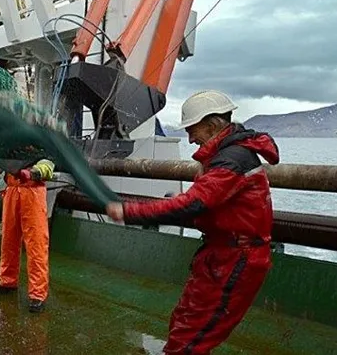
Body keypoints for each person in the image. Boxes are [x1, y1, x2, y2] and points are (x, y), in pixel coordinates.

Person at [105, 90, 279, 355]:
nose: (189, 138)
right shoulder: (229, 156)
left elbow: (194, 203)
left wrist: (129, 211)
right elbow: (210, 201)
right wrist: (186, 200)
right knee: (185, 323)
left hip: (236, 259)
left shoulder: (232, 160)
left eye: (193, 129)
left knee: (189, 341)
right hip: (219, 256)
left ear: (212, 126)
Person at [0, 151, 55, 313]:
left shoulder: (41, 144)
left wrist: (31, 173)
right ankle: (7, 281)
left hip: (32, 193)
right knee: (9, 241)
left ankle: (38, 294)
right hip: (11, 191)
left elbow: (48, 165)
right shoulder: (14, 146)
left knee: (36, 244)